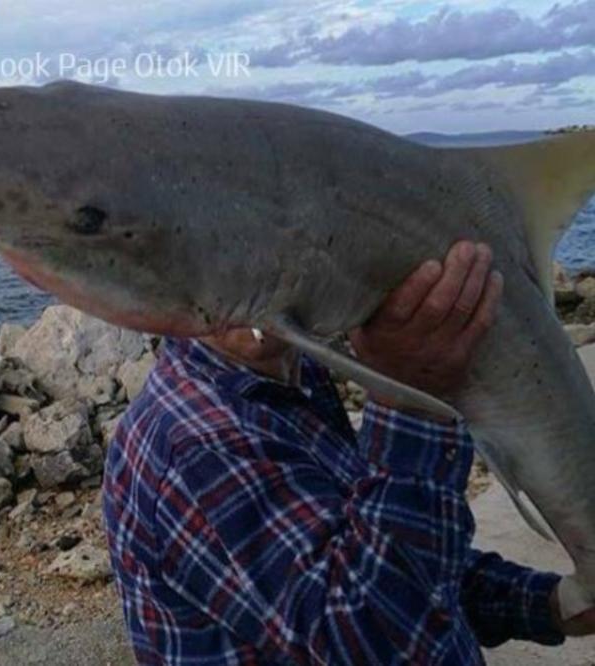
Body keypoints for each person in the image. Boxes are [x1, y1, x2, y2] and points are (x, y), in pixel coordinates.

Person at [103, 240, 595, 664]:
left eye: (262, 253)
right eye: (210, 262)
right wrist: (409, 395)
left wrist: (549, 604)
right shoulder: (191, 448)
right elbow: (379, 642)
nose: (243, 281)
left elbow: (395, 557)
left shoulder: (294, 373)